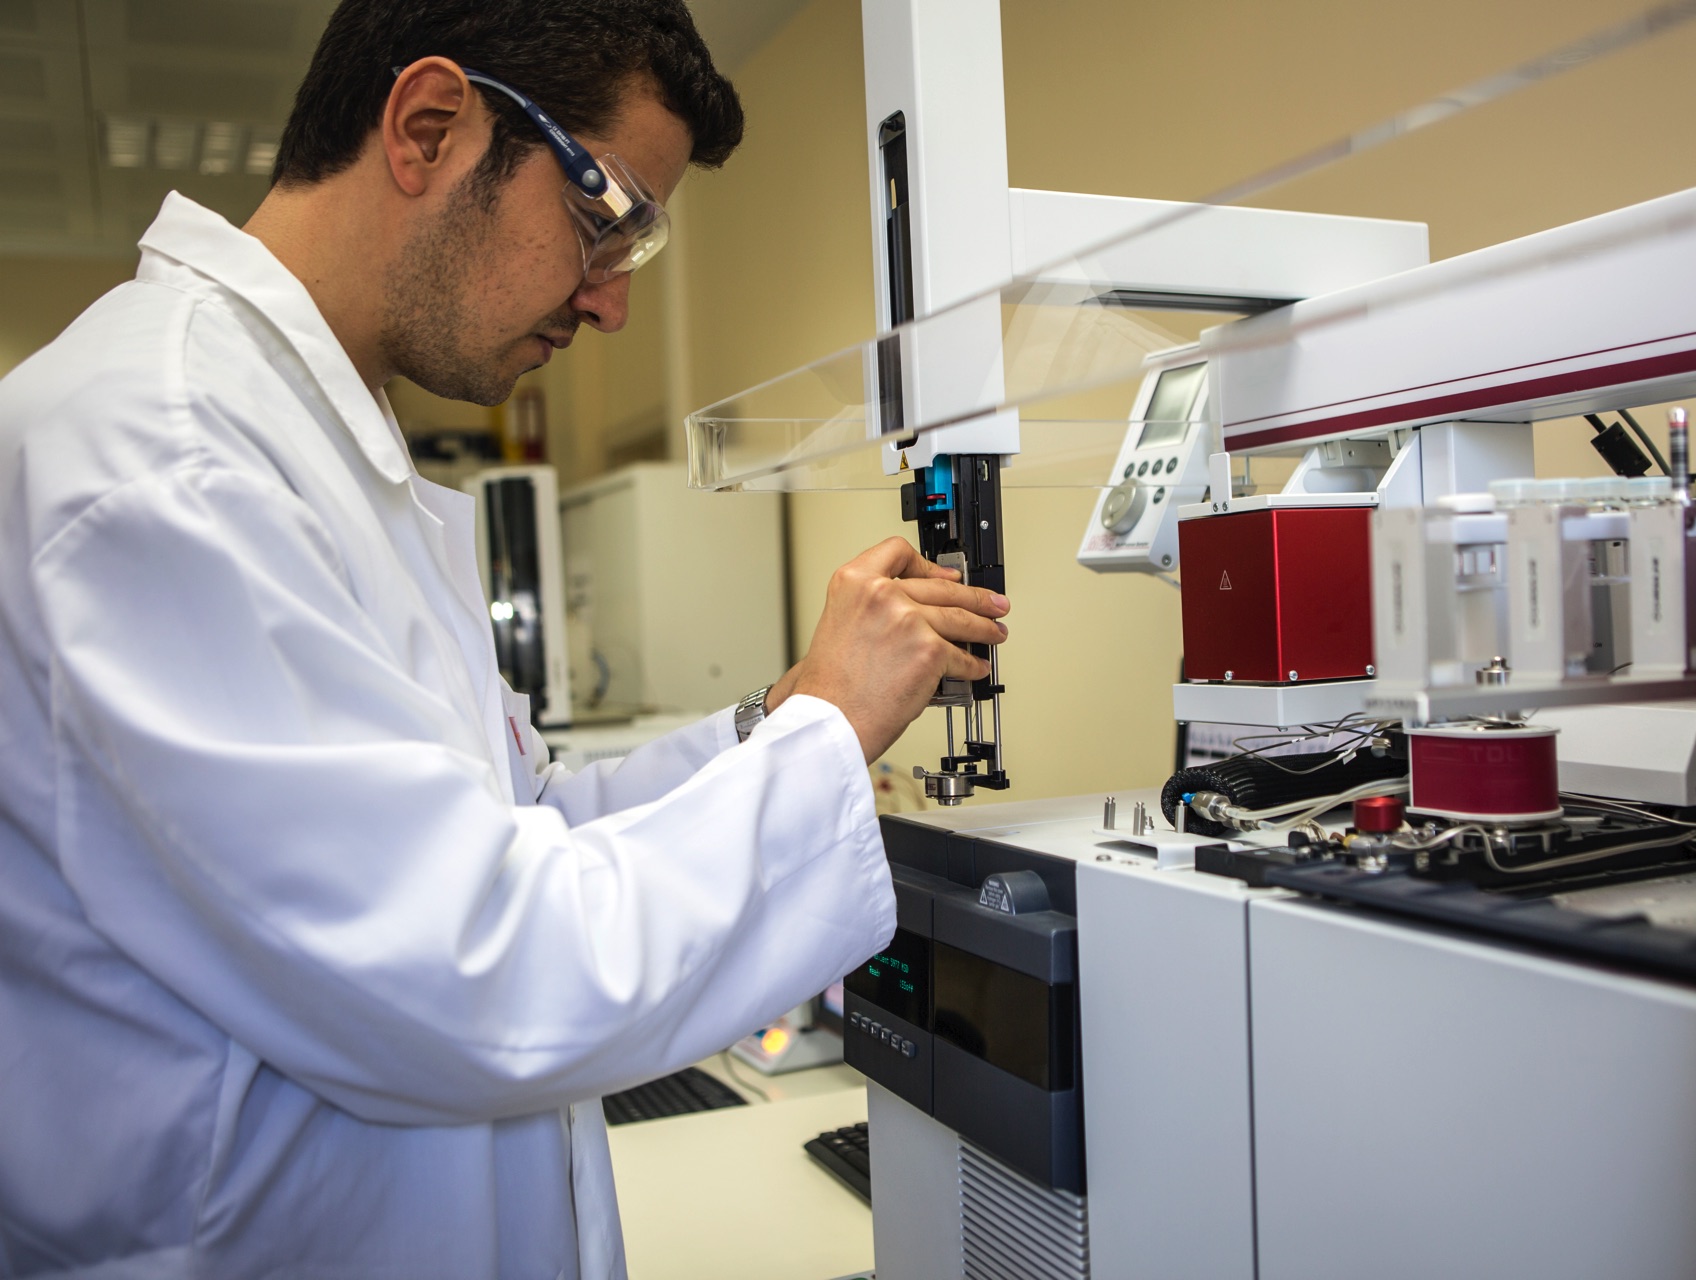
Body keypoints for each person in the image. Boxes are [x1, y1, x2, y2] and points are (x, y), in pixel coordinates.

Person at [0, 1, 1010, 1275]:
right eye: (606, 219)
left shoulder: (313, 442)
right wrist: (827, 729)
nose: (613, 302)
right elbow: (474, 969)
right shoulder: (164, 454)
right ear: (430, 127)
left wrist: (783, 713)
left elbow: (519, 827)